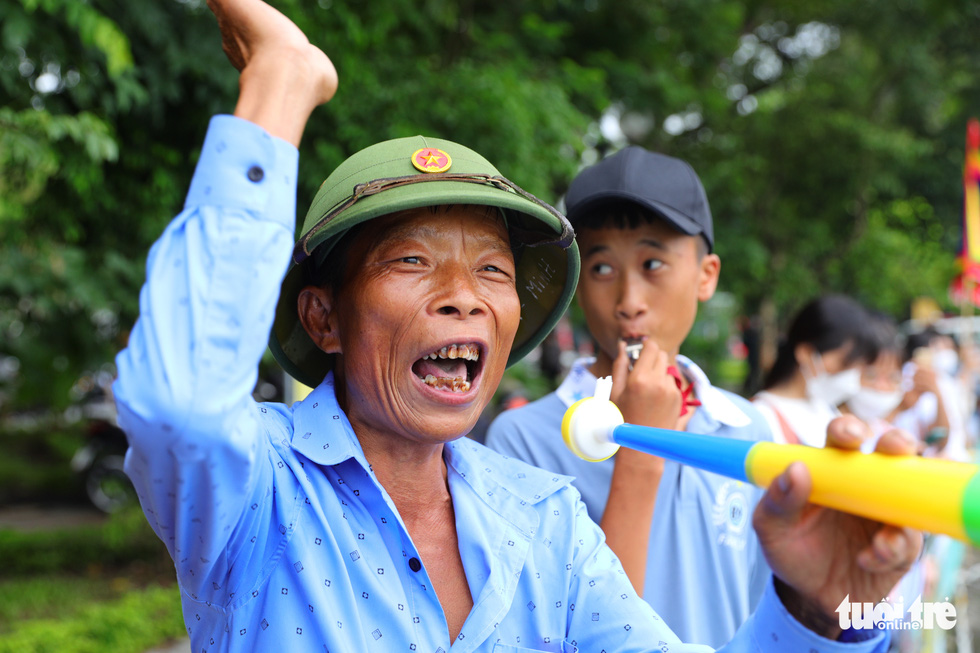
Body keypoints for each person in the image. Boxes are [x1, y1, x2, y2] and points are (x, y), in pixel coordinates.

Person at [113, 1, 921, 651]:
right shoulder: (260, 487)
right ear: (323, 316)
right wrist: (279, 85)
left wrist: (820, 613)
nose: (465, 298)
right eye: (410, 262)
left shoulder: (543, 519)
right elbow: (177, 403)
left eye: (493, 272)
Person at [486, 147, 773, 647]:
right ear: (574, 284)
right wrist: (639, 443)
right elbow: (574, 634)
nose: (629, 302)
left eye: (654, 262)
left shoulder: (745, 427)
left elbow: (762, 611)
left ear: (706, 275)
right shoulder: (522, 441)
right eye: (600, 269)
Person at [753, 295, 878, 447]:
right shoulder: (761, 416)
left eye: (856, 368)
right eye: (844, 364)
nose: (850, 376)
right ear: (805, 353)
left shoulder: (825, 409)